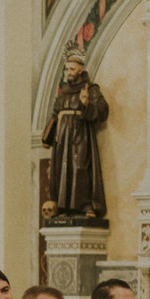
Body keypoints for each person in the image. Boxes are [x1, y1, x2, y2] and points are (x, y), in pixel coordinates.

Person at [42, 42, 108, 217]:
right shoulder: (63, 93)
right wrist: (47, 138)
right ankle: (63, 207)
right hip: (62, 137)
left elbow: (102, 111)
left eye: (72, 69)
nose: (69, 72)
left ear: (80, 70)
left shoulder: (90, 89)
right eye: (67, 69)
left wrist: (86, 104)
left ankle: (86, 205)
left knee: (80, 167)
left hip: (80, 135)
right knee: (61, 169)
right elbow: (55, 115)